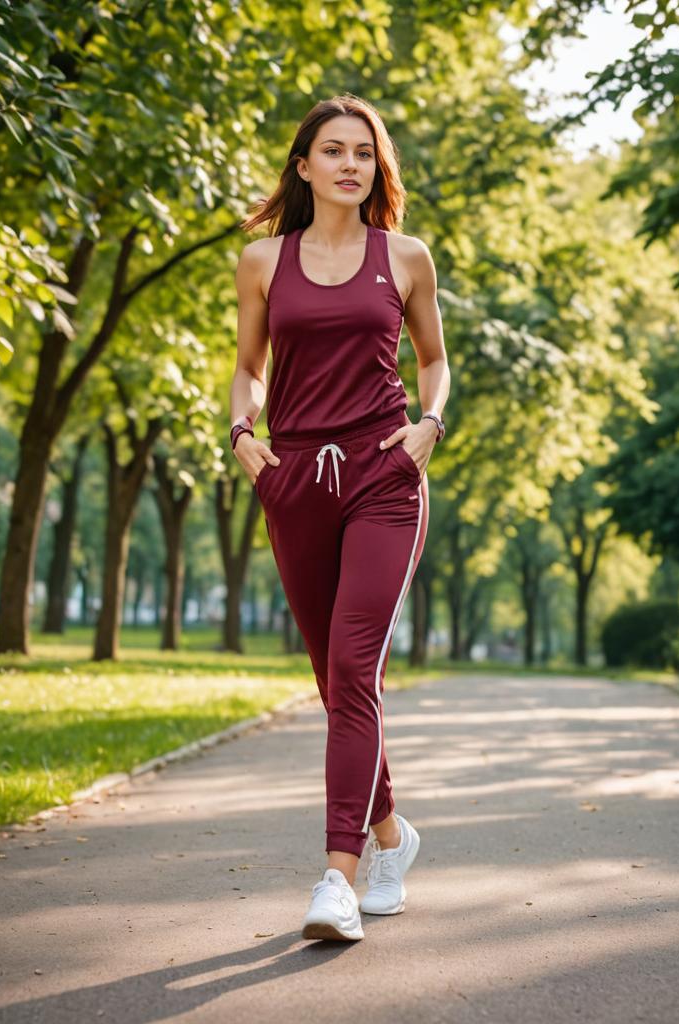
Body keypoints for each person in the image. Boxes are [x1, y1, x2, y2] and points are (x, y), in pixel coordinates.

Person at [229, 94, 450, 942]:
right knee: (334, 679)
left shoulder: (405, 257)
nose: (350, 164)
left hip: (383, 476)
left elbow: (434, 362)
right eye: (333, 150)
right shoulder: (260, 261)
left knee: (355, 668)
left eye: (365, 152)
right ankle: (394, 837)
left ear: (376, 168)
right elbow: (248, 369)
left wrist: (427, 427)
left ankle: (338, 878)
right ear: (304, 165)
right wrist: (243, 432)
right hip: (292, 478)